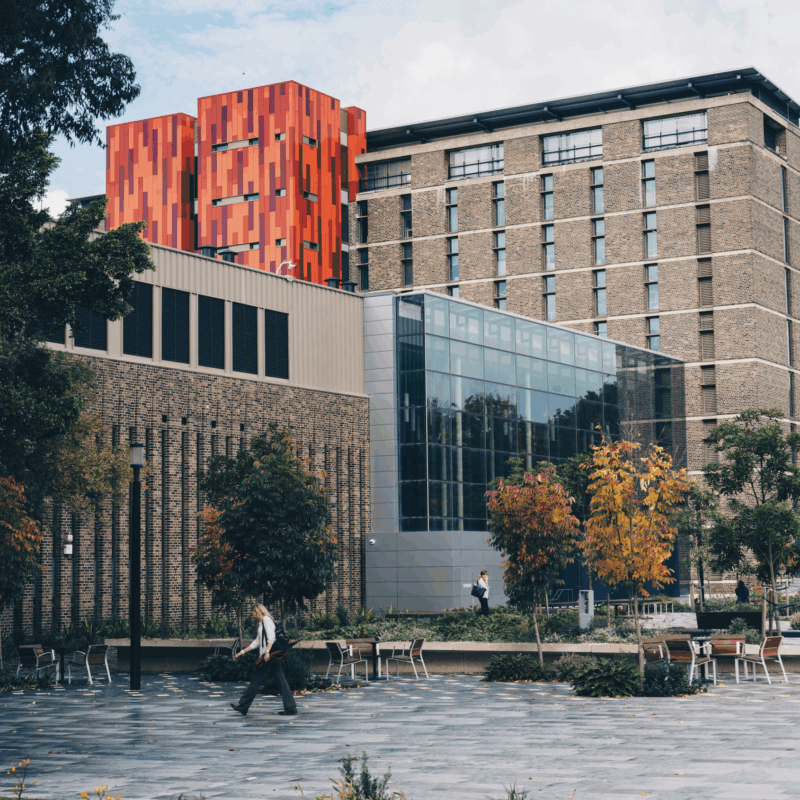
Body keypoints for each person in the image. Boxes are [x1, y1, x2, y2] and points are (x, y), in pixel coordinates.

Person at [230, 603, 297, 717]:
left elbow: (271, 638)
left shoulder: (266, 620)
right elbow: (256, 642)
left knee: (256, 680)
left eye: (253, 613)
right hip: (270, 655)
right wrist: (241, 653)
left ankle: (243, 706)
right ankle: (290, 707)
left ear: (257, 612)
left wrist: (266, 652)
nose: (252, 616)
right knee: (281, 680)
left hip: (269, 656)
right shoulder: (261, 623)